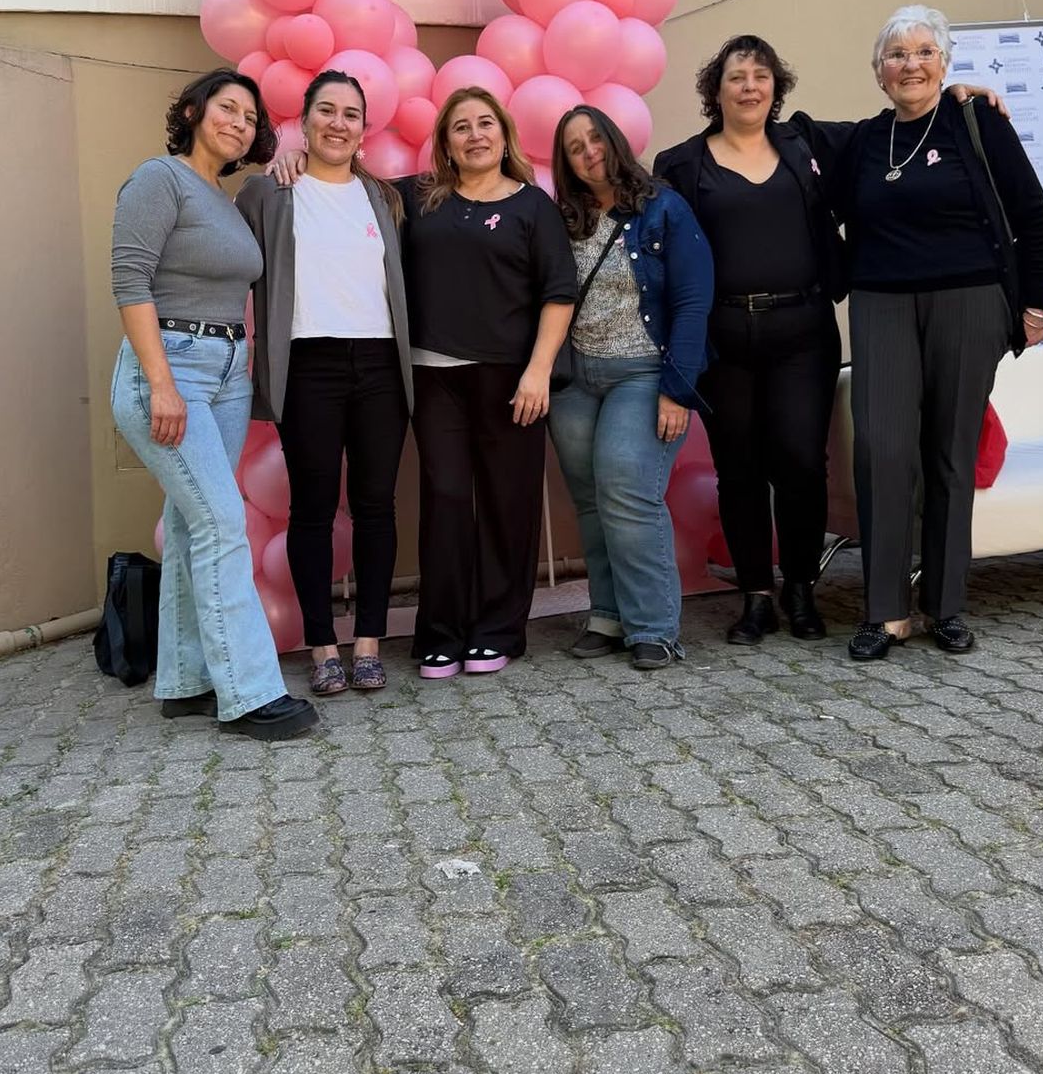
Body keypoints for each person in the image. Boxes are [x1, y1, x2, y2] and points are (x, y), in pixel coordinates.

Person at [840, 5, 1043, 662]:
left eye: (924, 52)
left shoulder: (976, 121)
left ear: (946, 63)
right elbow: (781, 140)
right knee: (881, 449)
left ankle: (945, 604)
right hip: (880, 302)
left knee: (950, 453)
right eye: (897, 55)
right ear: (879, 73)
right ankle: (886, 612)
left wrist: (1035, 307)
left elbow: (1034, 215)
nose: (911, 64)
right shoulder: (862, 142)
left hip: (968, 299)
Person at [109, 70, 318, 740]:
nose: (240, 122)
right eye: (228, 108)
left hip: (228, 371)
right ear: (195, 111)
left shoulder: (223, 198)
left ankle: (185, 678)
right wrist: (161, 381)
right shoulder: (158, 179)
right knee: (224, 523)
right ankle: (252, 694)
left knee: (194, 520)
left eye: (251, 117)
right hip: (174, 371)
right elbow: (129, 278)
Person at [654, 36, 848, 647]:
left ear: (776, 87)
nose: (749, 86)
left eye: (760, 75)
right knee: (738, 470)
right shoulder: (681, 164)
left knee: (799, 462)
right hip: (723, 337)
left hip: (803, 333)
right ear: (716, 91)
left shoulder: (805, 145)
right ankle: (756, 598)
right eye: (736, 76)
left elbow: (886, 131)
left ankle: (801, 589)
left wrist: (958, 98)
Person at [237, 72, 412, 699]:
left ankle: (368, 641)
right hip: (307, 365)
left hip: (381, 367)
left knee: (375, 506)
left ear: (366, 130)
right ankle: (322, 645)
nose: (339, 123)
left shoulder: (388, 199)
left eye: (352, 114)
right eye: (327, 111)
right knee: (310, 509)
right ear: (304, 120)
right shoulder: (268, 194)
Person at [400, 87, 577, 679]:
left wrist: (538, 371)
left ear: (504, 134)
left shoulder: (534, 206)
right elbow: (347, 182)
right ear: (446, 143)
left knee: (508, 502)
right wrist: (289, 162)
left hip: (512, 380)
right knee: (446, 499)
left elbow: (558, 293)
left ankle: (498, 628)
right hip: (435, 378)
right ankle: (440, 633)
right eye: (460, 127)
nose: (475, 135)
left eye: (484, 124)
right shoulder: (417, 198)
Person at [549, 105, 712, 671]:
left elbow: (693, 300)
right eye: (575, 146)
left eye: (595, 137)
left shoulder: (663, 208)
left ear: (614, 140)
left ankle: (654, 626)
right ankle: (608, 614)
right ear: (565, 162)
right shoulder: (563, 217)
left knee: (627, 488)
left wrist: (678, 389)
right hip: (577, 378)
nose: (589, 150)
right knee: (592, 500)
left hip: (643, 373)